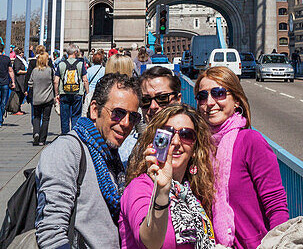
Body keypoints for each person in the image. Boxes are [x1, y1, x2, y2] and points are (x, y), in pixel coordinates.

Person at [36, 71, 142, 249]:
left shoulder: (111, 156)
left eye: (133, 117)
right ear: (94, 110)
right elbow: (51, 233)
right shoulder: (67, 150)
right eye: (118, 113)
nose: (125, 123)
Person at [194, 65, 289, 248]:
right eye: (202, 96)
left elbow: (276, 205)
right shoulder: (197, 146)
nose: (210, 102)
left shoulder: (250, 141)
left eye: (219, 93)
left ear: (236, 100)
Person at [120, 103, 215, 249]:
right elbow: (150, 242)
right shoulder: (141, 187)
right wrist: (162, 191)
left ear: (195, 149)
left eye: (186, 135)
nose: (176, 142)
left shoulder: (192, 195)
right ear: (155, 140)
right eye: (168, 133)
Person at [121, 65, 182, 165]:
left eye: (162, 98)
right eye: (145, 100)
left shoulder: (193, 142)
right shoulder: (127, 149)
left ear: (178, 99)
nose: (153, 106)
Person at [27, 48, 58, 146]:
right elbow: (54, 82)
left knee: (36, 117)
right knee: (45, 119)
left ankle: (36, 132)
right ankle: (42, 139)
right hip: (48, 98)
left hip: (37, 98)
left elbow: (30, 83)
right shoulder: (50, 71)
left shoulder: (34, 71)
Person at [57, 45, 90, 135]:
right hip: (77, 93)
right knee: (76, 116)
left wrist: (56, 93)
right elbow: (85, 79)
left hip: (64, 93)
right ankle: (74, 135)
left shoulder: (61, 64)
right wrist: (87, 93)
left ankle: (65, 136)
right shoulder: (80, 64)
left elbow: (56, 81)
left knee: (64, 117)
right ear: (75, 53)